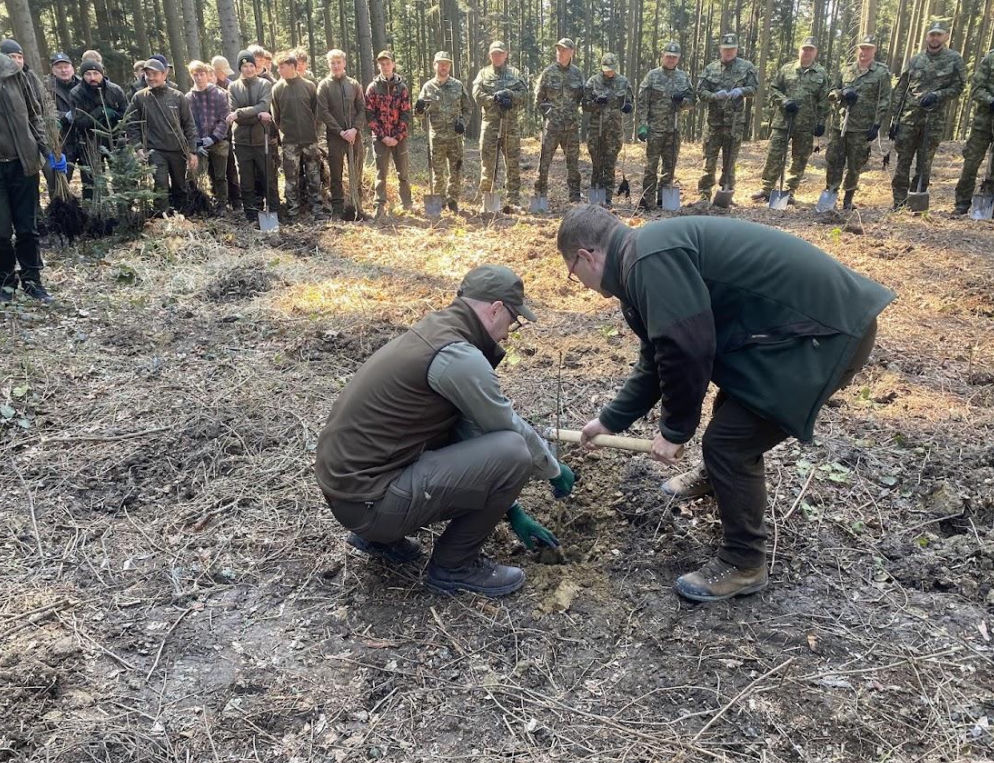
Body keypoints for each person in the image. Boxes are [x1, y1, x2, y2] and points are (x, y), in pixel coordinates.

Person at [556, 206, 893, 601]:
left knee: (730, 443)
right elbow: (657, 353)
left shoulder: (649, 259)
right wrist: (609, 421)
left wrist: (675, 430)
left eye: (570, 272)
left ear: (584, 256)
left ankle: (744, 562)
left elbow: (686, 348)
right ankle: (718, 479)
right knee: (731, 412)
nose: (577, 282)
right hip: (793, 332)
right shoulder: (642, 257)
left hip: (825, 334)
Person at [315, 265, 574, 598]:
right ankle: (455, 566)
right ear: (495, 309)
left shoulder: (436, 331)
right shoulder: (459, 357)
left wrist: (514, 512)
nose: (509, 333)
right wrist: (553, 470)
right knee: (514, 451)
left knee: (501, 446)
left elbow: (464, 432)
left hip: (349, 491)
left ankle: (380, 537)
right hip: (369, 501)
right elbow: (505, 430)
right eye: (513, 320)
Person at [889, 21, 965, 209]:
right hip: (909, 118)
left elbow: (959, 86)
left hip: (933, 119)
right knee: (902, 161)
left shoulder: (954, 59)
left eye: (939, 35)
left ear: (945, 37)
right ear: (927, 37)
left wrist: (938, 95)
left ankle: (917, 202)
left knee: (925, 163)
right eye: (932, 34)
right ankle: (898, 202)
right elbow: (902, 88)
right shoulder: (915, 60)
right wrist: (895, 119)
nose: (935, 38)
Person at [0, 48, 55, 302]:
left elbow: (35, 115)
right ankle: (5, 283)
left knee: (27, 228)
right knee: (1, 230)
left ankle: (33, 280)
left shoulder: (14, 72)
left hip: (24, 162)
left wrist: (45, 148)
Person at [753, 37, 829, 204]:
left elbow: (824, 100)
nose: (807, 52)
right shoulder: (787, 69)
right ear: (799, 50)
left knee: (800, 158)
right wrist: (784, 101)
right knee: (775, 154)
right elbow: (773, 89)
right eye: (804, 49)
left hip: (806, 124)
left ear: (815, 52)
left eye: (810, 49)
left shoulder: (821, 74)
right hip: (783, 121)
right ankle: (767, 188)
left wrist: (821, 122)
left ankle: (789, 191)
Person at [823, 35, 892, 210]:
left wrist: (876, 124)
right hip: (840, 125)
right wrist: (842, 93)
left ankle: (848, 198)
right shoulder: (846, 70)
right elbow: (832, 90)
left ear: (874, 50)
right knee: (834, 160)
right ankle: (830, 193)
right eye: (862, 48)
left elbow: (885, 99)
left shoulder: (881, 73)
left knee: (855, 164)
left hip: (863, 127)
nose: (864, 52)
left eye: (868, 48)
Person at [124, 58, 198, 215]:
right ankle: (163, 217)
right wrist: (138, 148)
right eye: (147, 74)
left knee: (180, 185)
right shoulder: (139, 98)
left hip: (178, 149)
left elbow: (189, 125)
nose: (151, 78)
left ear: (164, 74)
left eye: (155, 74)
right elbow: (131, 124)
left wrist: (192, 151)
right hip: (155, 150)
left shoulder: (178, 97)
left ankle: (183, 215)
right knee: (160, 184)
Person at [695, 33, 757, 202]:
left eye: (732, 49)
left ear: (736, 49)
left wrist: (742, 91)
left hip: (734, 123)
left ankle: (726, 193)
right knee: (709, 162)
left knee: (730, 163)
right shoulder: (710, 68)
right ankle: (704, 195)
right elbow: (700, 92)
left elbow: (754, 88)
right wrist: (715, 96)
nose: (728, 52)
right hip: (714, 124)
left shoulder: (747, 67)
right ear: (720, 50)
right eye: (725, 49)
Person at [472, 41, 528, 211]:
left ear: (506, 55)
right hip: (490, 125)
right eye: (494, 54)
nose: (497, 57)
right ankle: (488, 199)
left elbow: (524, 95)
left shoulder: (515, 74)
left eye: (500, 53)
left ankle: (513, 200)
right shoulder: (483, 74)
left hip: (510, 126)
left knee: (512, 163)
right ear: (490, 56)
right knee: (488, 163)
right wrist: (493, 99)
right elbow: (477, 94)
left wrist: (510, 95)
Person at [635, 42, 692, 209]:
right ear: (663, 56)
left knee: (669, 167)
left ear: (678, 59)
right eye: (668, 56)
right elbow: (643, 102)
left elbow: (692, 101)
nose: (671, 60)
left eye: (674, 57)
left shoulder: (683, 77)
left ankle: (663, 199)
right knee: (651, 167)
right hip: (655, 129)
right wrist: (642, 125)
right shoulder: (652, 76)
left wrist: (682, 101)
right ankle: (647, 200)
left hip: (673, 130)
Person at [226, 49, 279, 222]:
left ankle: (274, 214)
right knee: (246, 181)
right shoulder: (233, 87)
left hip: (261, 139)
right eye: (245, 66)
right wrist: (254, 115)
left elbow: (263, 106)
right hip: (241, 142)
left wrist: (241, 114)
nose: (248, 69)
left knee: (268, 179)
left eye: (251, 65)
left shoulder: (264, 84)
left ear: (256, 67)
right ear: (240, 68)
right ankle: (251, 215)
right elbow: (234, 113)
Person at [272, 51, 325, 220]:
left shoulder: (309, 86)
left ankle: (316, 209)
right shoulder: (277, 89)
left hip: (310, 140)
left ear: (293, 66)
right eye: (278, 67)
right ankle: (293, 211)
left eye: (282, 67)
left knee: (313, 175)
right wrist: (285, 133)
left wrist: (313, 133)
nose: (279, 70)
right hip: (290, 142)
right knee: (291, 178)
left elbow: (317, 114)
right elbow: (276, 117)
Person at [416, 50, 471, 212]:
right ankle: (438, 201)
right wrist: (419, 110)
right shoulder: (428, 87)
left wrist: (463, 122)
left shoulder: (457, 85)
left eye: (446, 64)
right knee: (437, 172)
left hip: (455, 137)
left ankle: (453, 200)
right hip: (437, 137)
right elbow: (420, 116)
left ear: (450, 66)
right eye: (440, 64)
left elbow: (468, 108)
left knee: (456, 169)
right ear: (435, 66)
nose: (443, 67)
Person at [68, 58, 127, 201]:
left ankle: (125, 211)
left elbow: (126, 115)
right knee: (92, 182)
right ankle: (95, 215)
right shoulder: (76, 93)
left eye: (96, 73)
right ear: (82, 75)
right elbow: (79, 121)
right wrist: (98, 112)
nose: (92, 78)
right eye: (88, 74)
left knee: (122, 179)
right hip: (89, 142)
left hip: (114, 140)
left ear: (102, 73)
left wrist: (114, 115)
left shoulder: (115, 90)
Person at [317, 49, 366, 219]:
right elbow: (323, 112)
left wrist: (355, 129)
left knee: (356, 173)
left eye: (338, 62)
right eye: (332, 63)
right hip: (336, 138)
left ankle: (357, 207)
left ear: (344, 63)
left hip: (355, 136)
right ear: (329, 65)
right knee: (336, 175)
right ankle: (337, 209)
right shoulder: (324, 85)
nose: (336, 66)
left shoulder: (353, 84)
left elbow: (362, 109)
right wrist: (340, 131)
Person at [534, 38, 585, 203]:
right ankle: (540, 197)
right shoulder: (548, 73)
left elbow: (582, 98)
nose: (560, 53)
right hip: (552, 127)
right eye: (558, 50)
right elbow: (538, 99)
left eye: (564, 50)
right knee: (544, 163)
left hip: (571, 127)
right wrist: (548, 113)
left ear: (571, 52)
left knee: (573, 164)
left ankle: (575, 197)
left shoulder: (577, 74)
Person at [583, 52, 634, 209]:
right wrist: (596, 103)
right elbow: (585, 105)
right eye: (606, 69)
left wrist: (628, 107)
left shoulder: (623, 82)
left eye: (611, 69)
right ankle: (595, 199)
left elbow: (630, 103)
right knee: (597, 165)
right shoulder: (593, 82)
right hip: (596, 131)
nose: (609, 72)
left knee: (610, 166)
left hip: (614, 131)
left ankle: (608, 200)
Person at [365, 50, 412, 218]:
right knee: (381, 173)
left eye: (387, 63)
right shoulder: (373, 87)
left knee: (403, 173)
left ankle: (407, 204)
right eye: (382, 64)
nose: (385, 67)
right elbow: (369, 115)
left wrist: (397, 137)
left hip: (399, 138)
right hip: (380, 138)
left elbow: (406, 114)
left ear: (393, 64)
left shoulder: (402, 87)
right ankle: (379, 205)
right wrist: (383, 136)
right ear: (379, 66)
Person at [953, 48, 994, 214]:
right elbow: (976, 89)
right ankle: (962, 203)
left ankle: (989, 205)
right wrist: (991, 101)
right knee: (971, 163)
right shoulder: (990, 59)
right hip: (982, 124)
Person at [187, 60, 231, 215]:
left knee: (220, 176)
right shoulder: (188, 98)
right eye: (195, 75)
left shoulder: (219, 94)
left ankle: (222, 204)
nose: (199, 78)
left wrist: (213, 138)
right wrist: (197, 143)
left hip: (218, 142)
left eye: (201, 74)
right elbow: (187, 123)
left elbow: (225, 118)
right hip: (198, 145)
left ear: (207, 75)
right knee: (195, 176)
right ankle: (199, 204)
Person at [44, 53, 81, 187]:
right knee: (60, 181)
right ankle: (60, 205)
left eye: (66, 66)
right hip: (61, 140)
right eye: (59, 67)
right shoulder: (46, 88)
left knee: (91, 180)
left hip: (83, 137)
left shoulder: (82, 83)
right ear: (53, 70)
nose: (64, 70)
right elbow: (44, 111)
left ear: (72, 68)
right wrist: (64, 116)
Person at [210, 56, 241, 210]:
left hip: (227, 134)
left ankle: (236, 200)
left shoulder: (229, 86)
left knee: (231, 170)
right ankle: (220, 200)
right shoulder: (208, 87)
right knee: (215, 173)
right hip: (210, 137)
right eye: (223, 72)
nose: (226, 75)